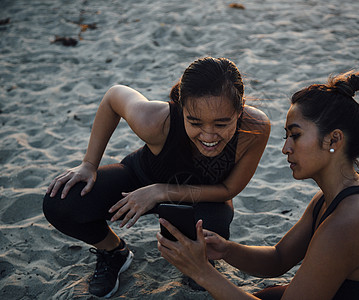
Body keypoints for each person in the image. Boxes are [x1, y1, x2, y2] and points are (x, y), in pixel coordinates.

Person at [157, 71, 359, 300]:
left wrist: (201, 273)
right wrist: (225, 249)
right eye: (286, 136)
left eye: (296, 135)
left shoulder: (348, 222)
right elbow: (279, 258)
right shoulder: (340, 195)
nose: (285, 148)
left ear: (334, 139)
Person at [42, 57, 270, 298]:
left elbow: (227, 189)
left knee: (214, 227)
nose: (209, 135)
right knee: (62, 201)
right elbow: (113, 96)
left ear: (240, 109)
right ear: (182, 107)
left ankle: (197, 262)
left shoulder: (255, 128)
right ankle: (114, 252)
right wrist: (89, 164)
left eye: (222, 123)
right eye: (195, 122)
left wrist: (160, 191)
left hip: (203, 197)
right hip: (140, 178)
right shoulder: (155, 120)